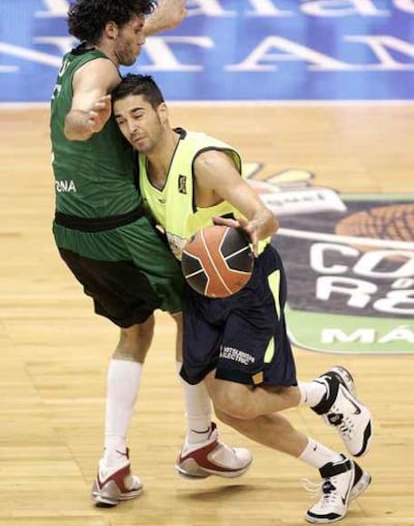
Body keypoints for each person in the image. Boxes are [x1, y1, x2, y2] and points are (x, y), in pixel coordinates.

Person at [112, 73, 374, 524]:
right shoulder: (136, 163)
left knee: (236, 401)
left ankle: (325, 393)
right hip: (201, 291)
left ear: (162, 112)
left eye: (138, 115)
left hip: (247, 287)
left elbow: (264, 214)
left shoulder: (204, 162)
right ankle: (336, 464)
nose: (131, 127)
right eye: (121, 121)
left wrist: (255, 227)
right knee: (233, 410)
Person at [50, 0, 253, 509]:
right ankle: (199, 441)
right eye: (138, 30)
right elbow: (86, 104)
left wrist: (157, 22)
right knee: (193, 306)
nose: (143, 38)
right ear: (112, 28)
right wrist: (80, 119)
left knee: (135, 331)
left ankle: (113, 464)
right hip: (119, 229)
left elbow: (98, 71)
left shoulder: (79, 56)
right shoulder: (97, 72)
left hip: (72, 229)